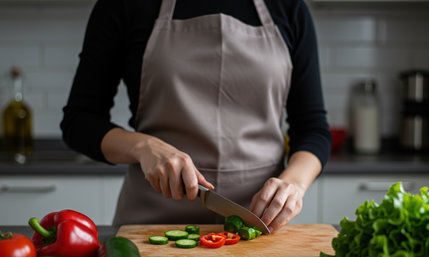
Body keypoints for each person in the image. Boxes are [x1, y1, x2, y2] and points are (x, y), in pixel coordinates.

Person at [61, 0, 332, 233]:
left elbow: (312, 129)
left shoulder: (287, 7)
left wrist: (293, 183)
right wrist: (144, 147)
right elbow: (79, 121)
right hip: (151, 225)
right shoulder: (124, 5)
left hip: (261, 224)